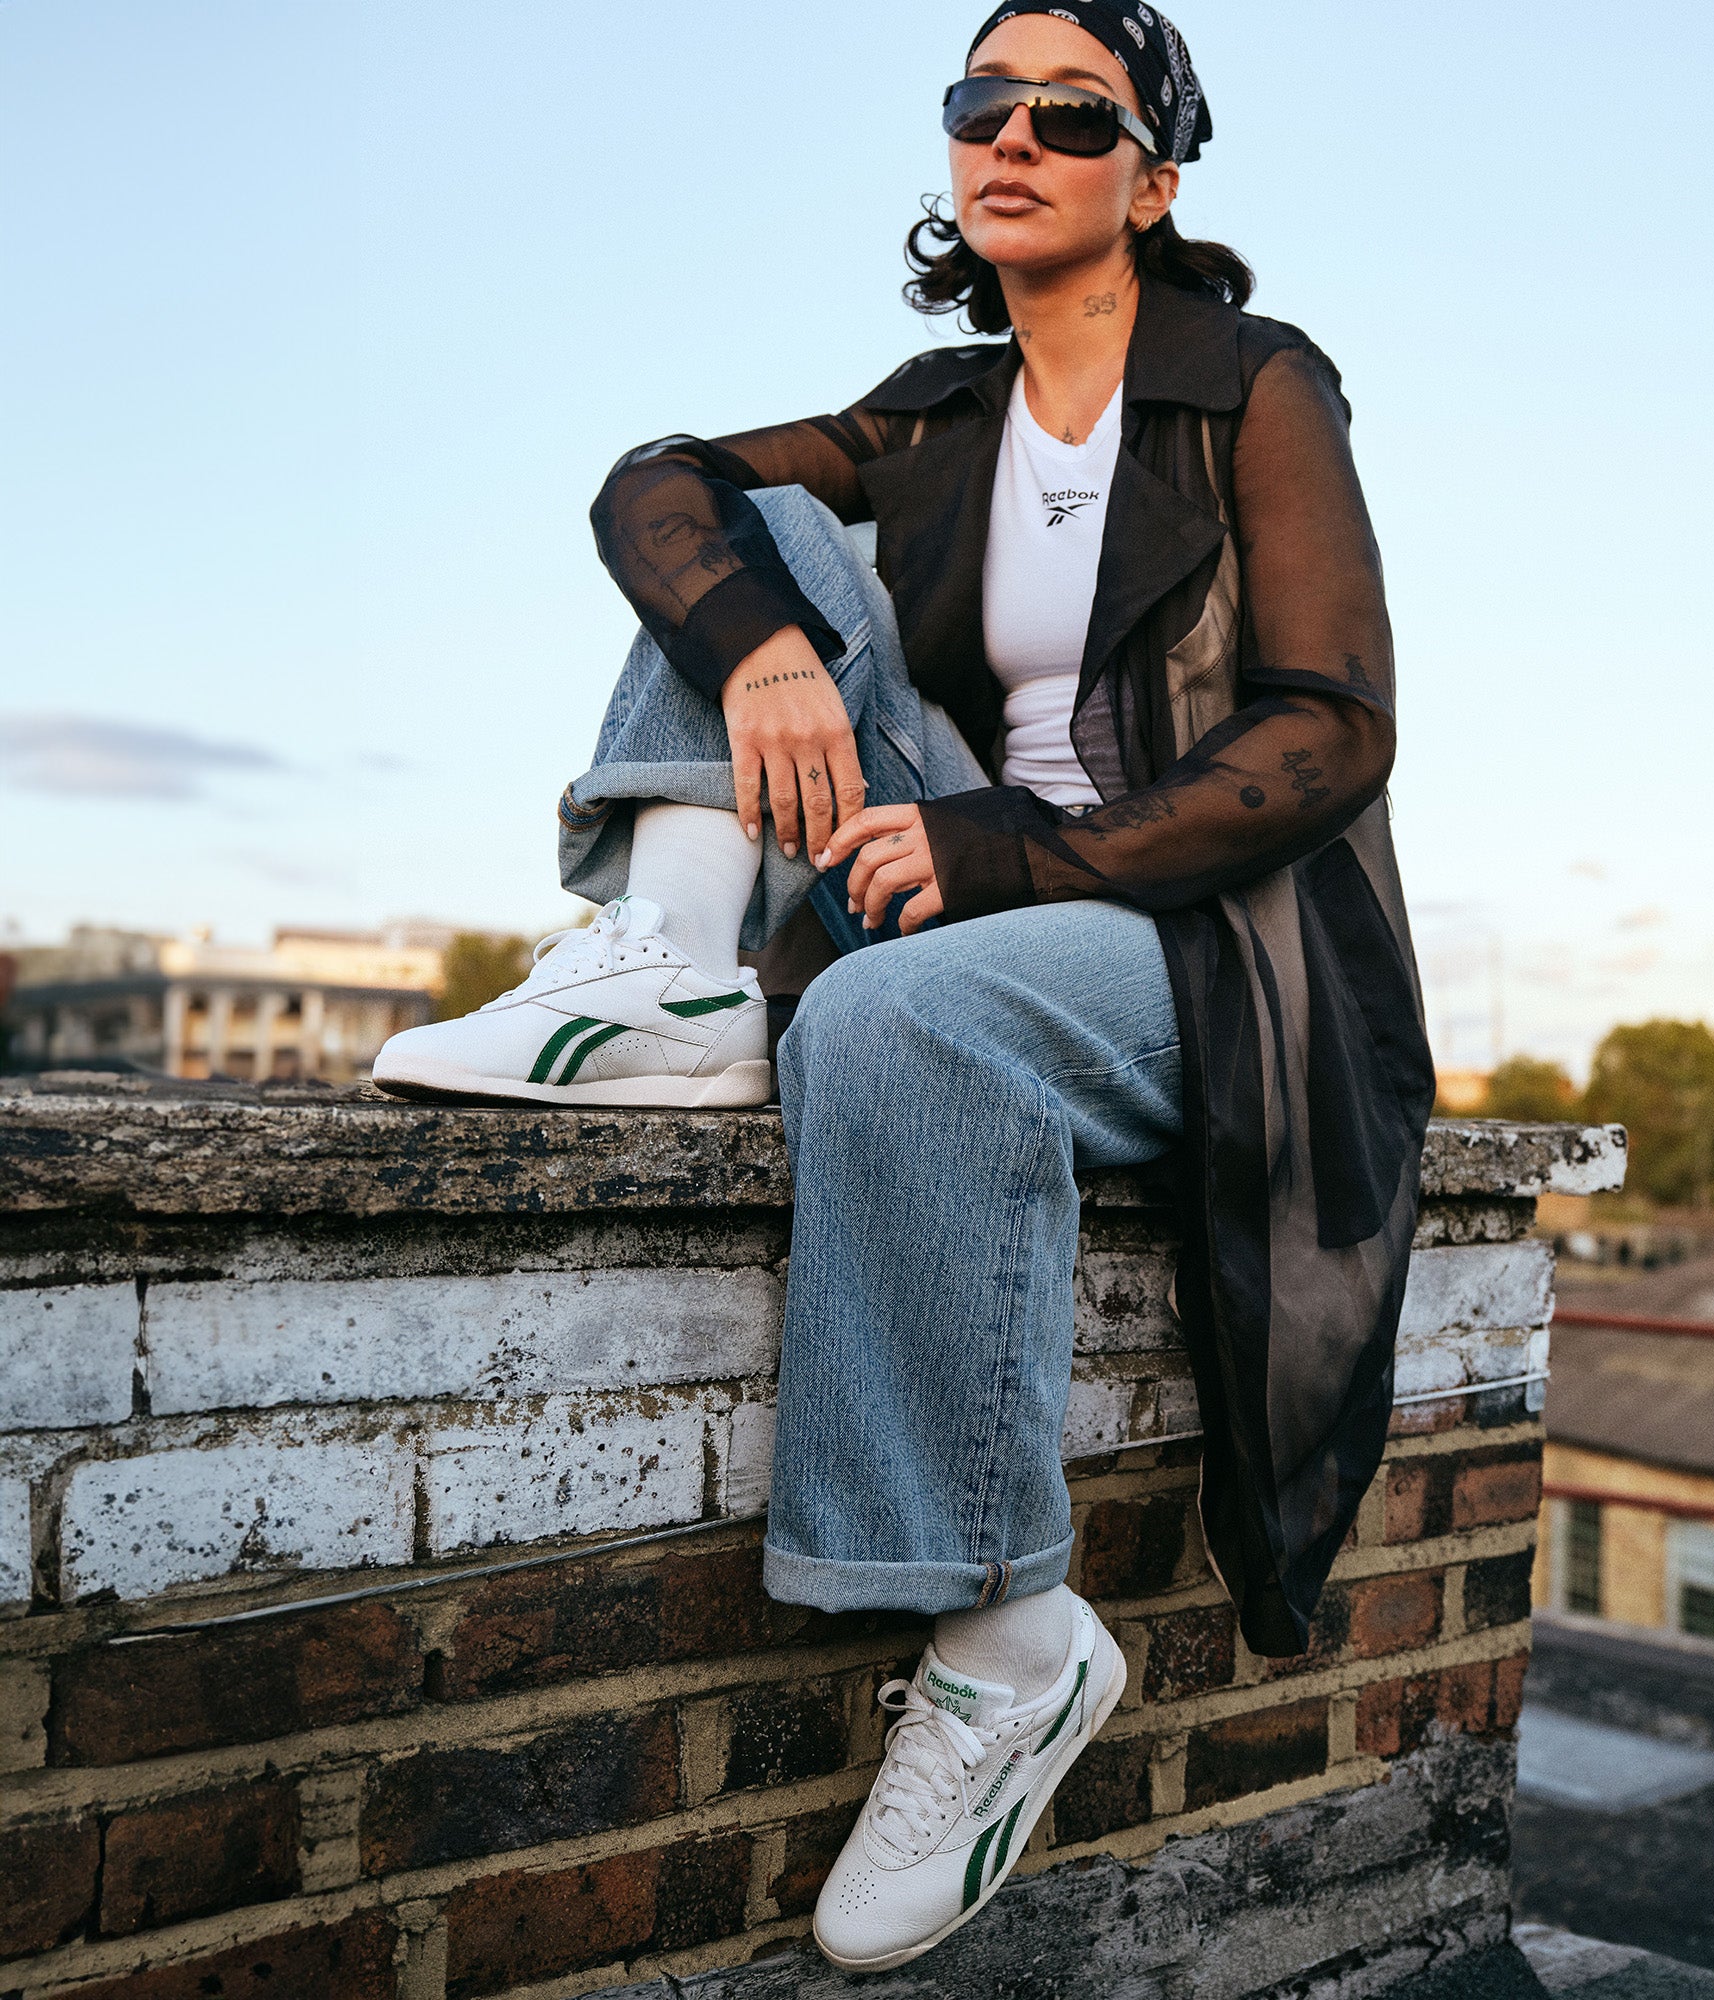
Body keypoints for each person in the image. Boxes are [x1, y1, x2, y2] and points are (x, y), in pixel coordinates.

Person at [374, 2, 1433, 1970]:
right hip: (945, 870)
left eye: (1069, 109)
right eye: (980, 104)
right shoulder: (939, 416)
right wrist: (769, 650)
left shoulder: (1250, 388)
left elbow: (1330, 731)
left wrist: (1008, 853)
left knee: (889, 1017)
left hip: (1208, 936)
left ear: (1155, 172)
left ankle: (1007, 1634)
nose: (1011, 136)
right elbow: (652, 483)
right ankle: (676, 972)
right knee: (744, 522)